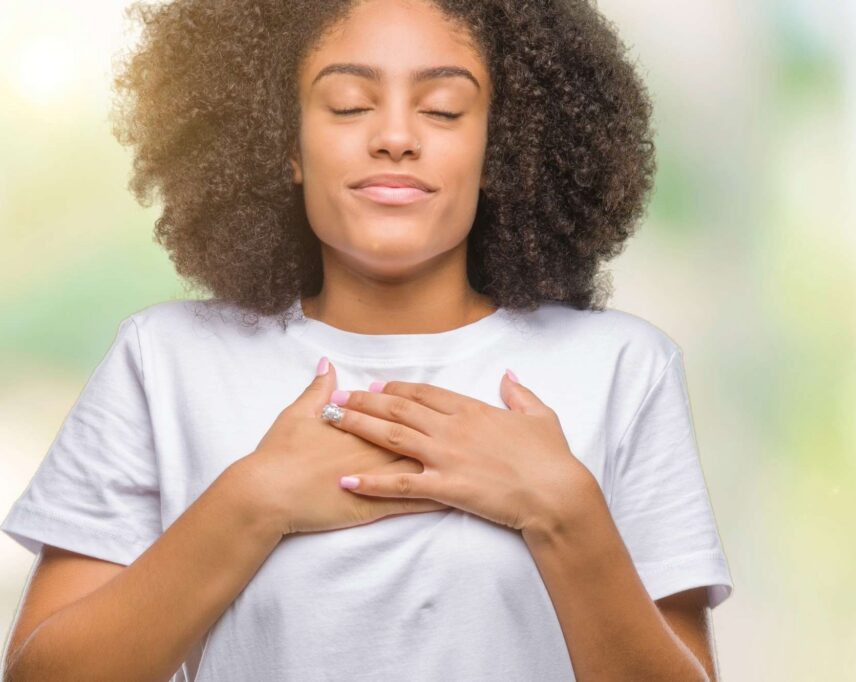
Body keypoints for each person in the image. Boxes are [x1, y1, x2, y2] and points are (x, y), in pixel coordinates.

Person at [1, 0, 734, 680]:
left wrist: (562, 510)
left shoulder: (621, 368)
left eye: (444, 110)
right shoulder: (166, 360)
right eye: (349, 104)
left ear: (500, 150)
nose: (394, 138)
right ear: (285, 143)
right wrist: (254, 501)